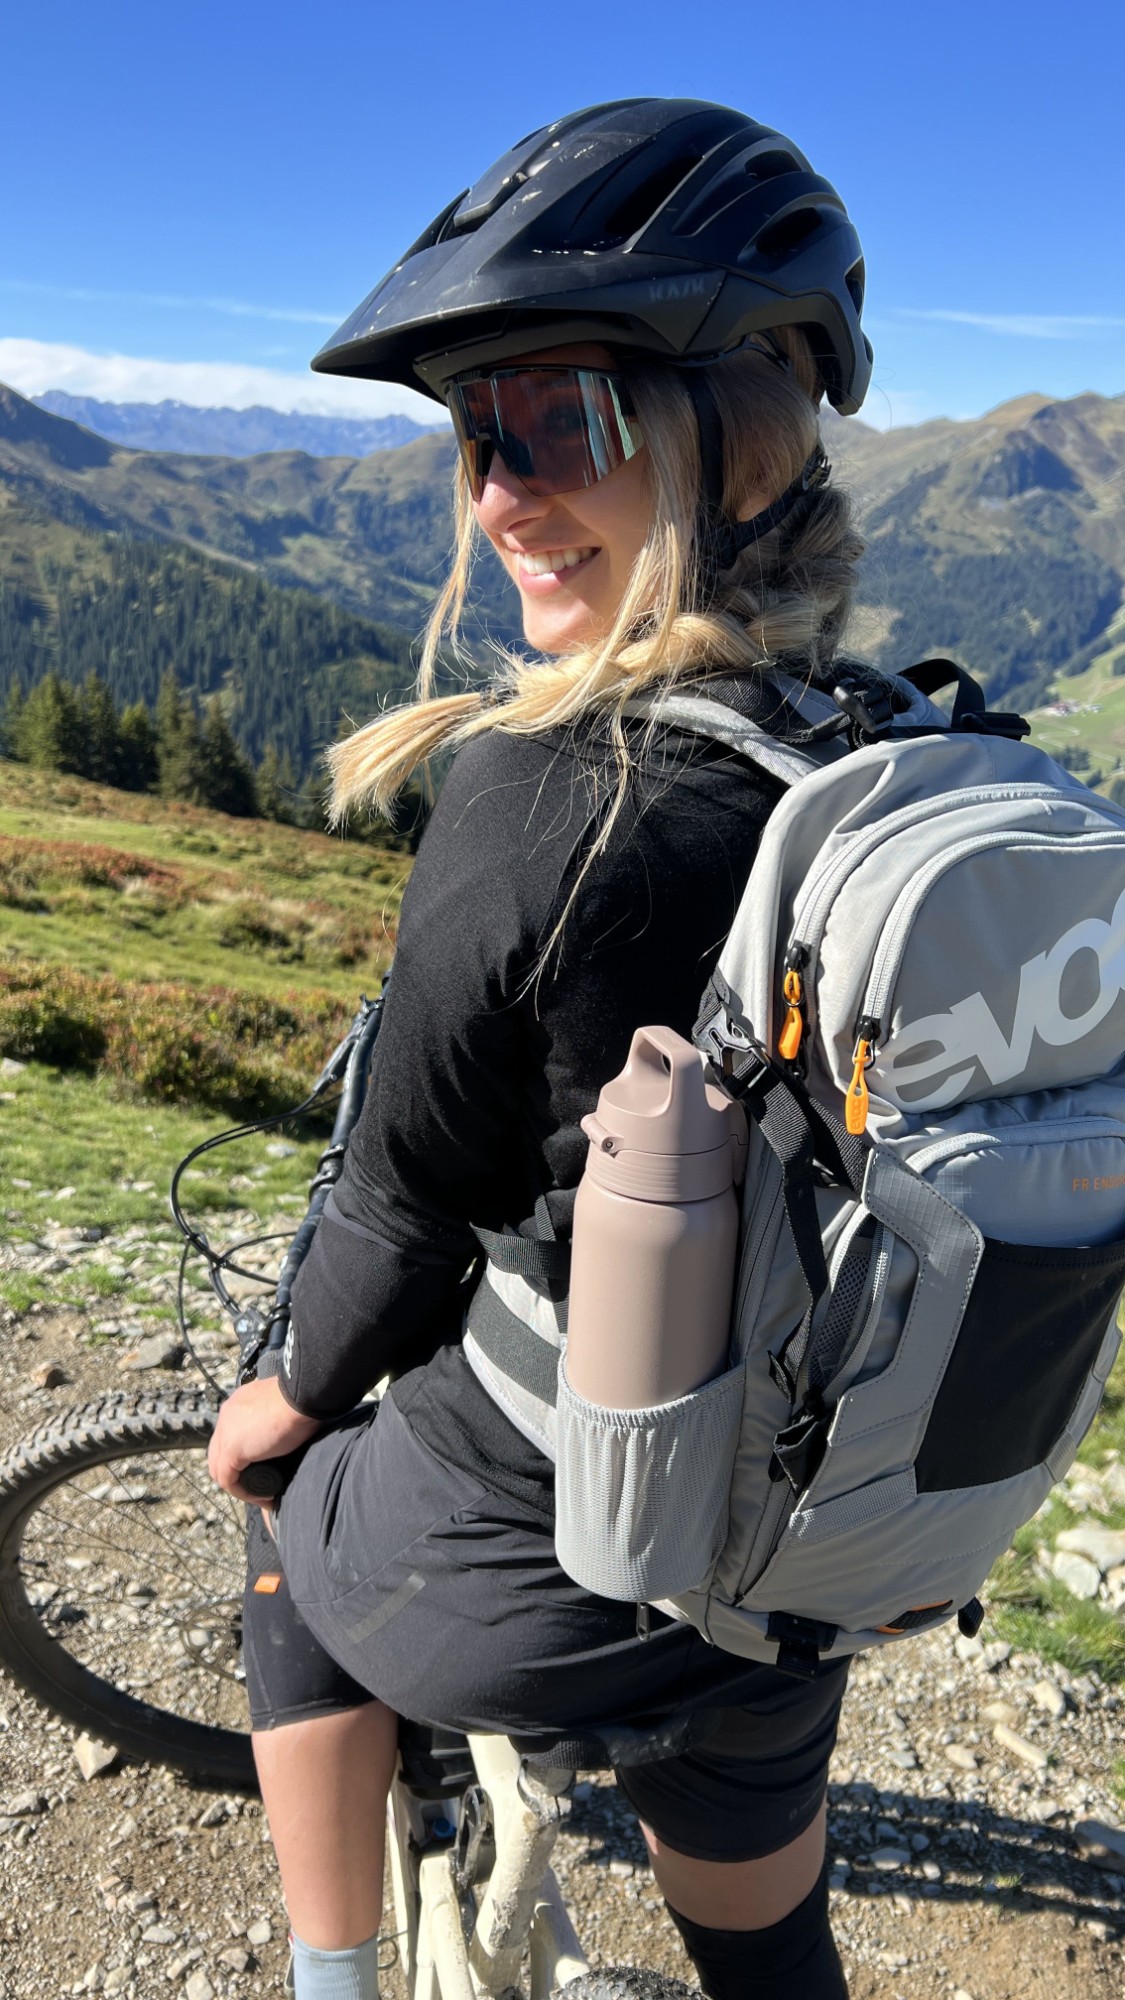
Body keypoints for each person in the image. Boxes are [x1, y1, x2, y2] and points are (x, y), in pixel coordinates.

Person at [209, 97, 876, 2000]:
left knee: (285, 1526)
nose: (498, 493)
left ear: (740, 437)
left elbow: (404, 1209)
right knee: (765, 1925)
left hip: (560, 1537)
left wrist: (278, 1407)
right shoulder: (874, 747)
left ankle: (333, 1979)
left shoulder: (546, 803)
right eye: (475, 429)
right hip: (818, 1525)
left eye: (561, 418)